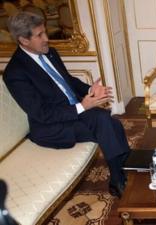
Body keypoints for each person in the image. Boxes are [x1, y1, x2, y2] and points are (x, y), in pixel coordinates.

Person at [3, 12, 129, 198]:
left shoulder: (50, 53)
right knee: (105, 122)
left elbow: (67, 81)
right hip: (49, 127)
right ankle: (118, 178)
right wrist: (82, 107)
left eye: (45, 32)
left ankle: (123, 169)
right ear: (24, 40)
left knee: (112, 124)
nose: (46, 38)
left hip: (71, 112)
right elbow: (42, 113)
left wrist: (89, 90)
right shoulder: (15, 73)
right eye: (39, 35)